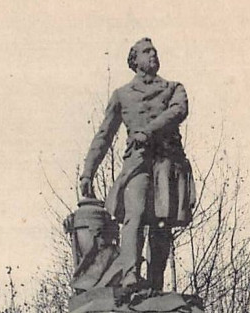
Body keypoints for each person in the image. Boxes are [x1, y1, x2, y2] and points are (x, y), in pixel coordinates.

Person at [79, 38, 195, 295]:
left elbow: (178, 111)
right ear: (134, 61)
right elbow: (104, 135)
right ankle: (130, 274)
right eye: (146, 51)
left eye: (154, 50)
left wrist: (147, 131)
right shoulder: (122, 95)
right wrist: (88, 171)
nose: (153, 54)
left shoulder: (174, 88)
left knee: (162, 223)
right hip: (138, 162)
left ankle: (155, 283)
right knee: (136, 213)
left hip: (166, 162)